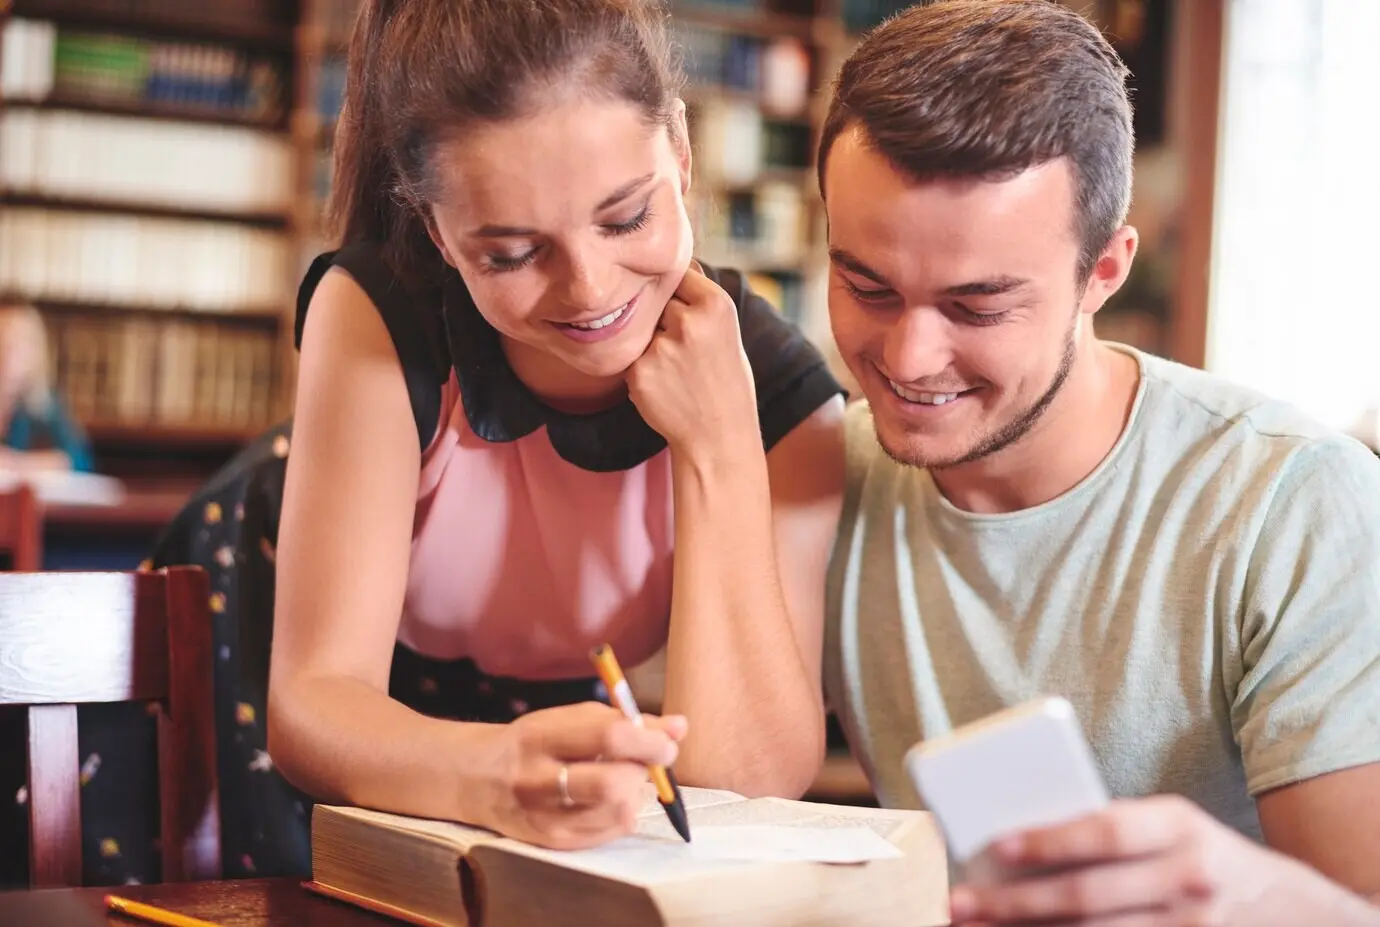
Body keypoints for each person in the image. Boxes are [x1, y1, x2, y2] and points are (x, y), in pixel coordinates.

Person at [817, 2, 1380, 924]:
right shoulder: (821, 467)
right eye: (866, 287)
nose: (909, 359)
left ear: (1105, 271)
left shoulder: (1294, 501)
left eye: (979, 305)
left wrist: (1254, 899)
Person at [266, 0, 845, 857]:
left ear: (679, 155)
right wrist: (489, 768)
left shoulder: (784, 395)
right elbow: (314, 698)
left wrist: (719, 446)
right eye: (511, 253)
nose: (589, 289)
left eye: (626, 218)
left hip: (530, 751)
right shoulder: (376, 311)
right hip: (309, 695)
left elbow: (743, 782)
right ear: (439, 233)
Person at [0, 302, 93, 473]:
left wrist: (16, 463)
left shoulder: (45, 404)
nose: (8, 351)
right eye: (2, 339)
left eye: (18, 342)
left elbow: (79, 461)